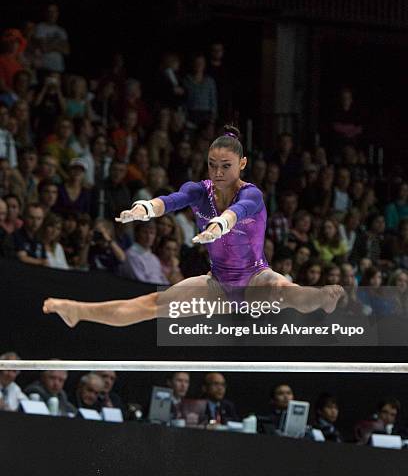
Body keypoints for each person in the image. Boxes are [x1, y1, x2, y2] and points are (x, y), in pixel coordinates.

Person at [43, 126, 344, 327]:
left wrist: (219, 225)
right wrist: (145, 208)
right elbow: (172, 200)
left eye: (226, 165)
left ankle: (320, 298)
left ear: (242, 164)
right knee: (151, 305)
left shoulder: (252, 194)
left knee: (283, 289)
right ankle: (77, 311)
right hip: (217, 285)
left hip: (255, 279)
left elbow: (236, 213)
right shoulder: (199, 191)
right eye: (213, 164)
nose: (218, 172)